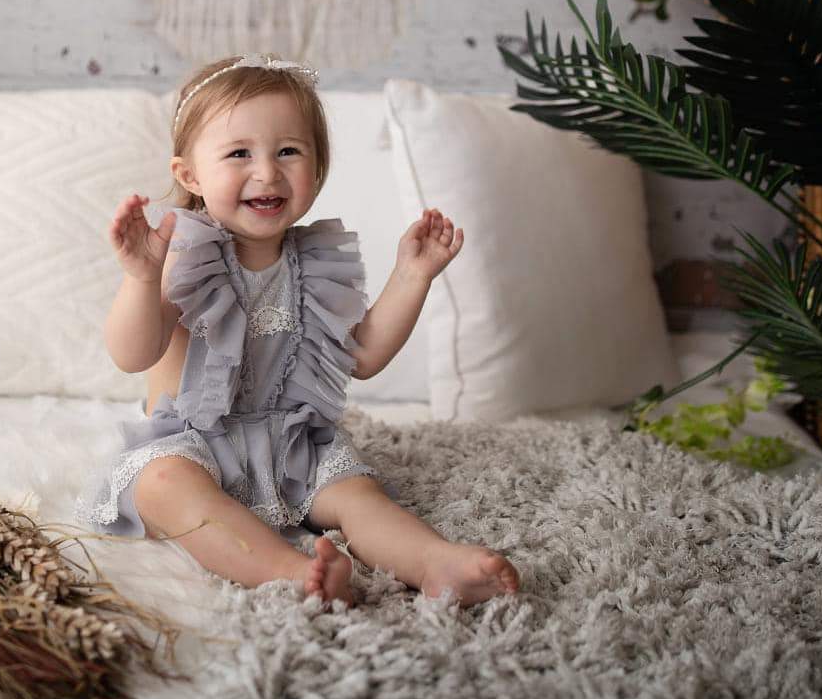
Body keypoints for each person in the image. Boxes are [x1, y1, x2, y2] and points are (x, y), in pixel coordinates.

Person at [75, 54, 519, 607]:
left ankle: (435, 562)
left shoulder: (313, 264)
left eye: (288, 151)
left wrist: (412, 275)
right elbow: (132, 353)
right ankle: (292, 571)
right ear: (190, 175)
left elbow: (362, 356)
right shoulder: (183, 255)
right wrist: (141, 279)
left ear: (318, 167)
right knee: (165, 487)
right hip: (194, 446)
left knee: (359, 496)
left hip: (291, 444)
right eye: (239, 153)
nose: (266, 171)